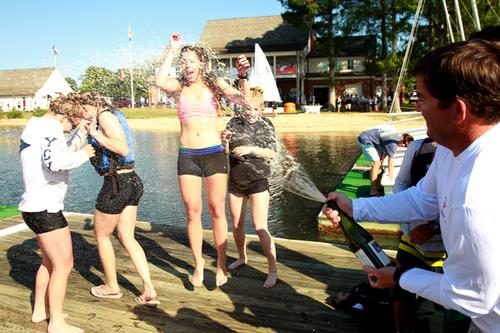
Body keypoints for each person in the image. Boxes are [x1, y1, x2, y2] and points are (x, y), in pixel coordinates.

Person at [323, 40, 500, 333]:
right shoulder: (450, 149)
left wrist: (400, 277)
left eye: (422, 99)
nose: (416, 108)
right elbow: (422, 199)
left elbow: (474, 297)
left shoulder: (475, 197)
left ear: (458, 111)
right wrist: (354, 207)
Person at [155, 32, 249, 287]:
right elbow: (160, 79)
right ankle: (198, 263)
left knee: (217, 210)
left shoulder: (215, 84)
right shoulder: (179, 87)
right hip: (187, 156)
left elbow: (242, 100)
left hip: (213, 153)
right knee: (192, 212)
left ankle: (220, 264)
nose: (186, 66)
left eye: (191, 61)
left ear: (202, 64)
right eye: (183, 62)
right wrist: (172, 49)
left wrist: (242, 77)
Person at [73, 92, 159, 307]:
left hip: (117, 183)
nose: (81, 114)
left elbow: (122, 148)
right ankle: (148, 288)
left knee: (101, 235)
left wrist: (95, 134)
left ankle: (111, 286)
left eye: (82, 109)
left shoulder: (104, 118)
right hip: (130, 180)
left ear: (91, 105)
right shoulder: (110, 115)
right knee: (127, 236)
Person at [18, 95, 94, 333]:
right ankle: (57, 323)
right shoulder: (50, 129)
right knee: (64, 265)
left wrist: (80, 134)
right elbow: (54, 163)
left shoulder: (37, 125)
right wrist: (86, 153)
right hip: (45, 209)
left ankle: (41, 310)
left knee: (49, 261)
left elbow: (60, 149)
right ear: (63, 116)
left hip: (34, 207)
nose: (69, 128)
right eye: (72, 123)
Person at [393, 137, 471, 332]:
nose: (419, 107)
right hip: (412, 240)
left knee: (452, 305)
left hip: (446, 248)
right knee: (402, 296)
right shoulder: (418, 147)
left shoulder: (469, 155)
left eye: (425, 104)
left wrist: (433, 227)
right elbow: (401, 183)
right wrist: (409, 218)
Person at [222, 55, 278, 288]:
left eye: (255, 108)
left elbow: (273, 153)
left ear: (261, 107)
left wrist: (252, 149)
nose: (250, 112)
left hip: (257, 181)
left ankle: (272, 269)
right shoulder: (233, 122)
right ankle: (242, 257)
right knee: (236, 225)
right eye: (246, 107)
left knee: (260, 226)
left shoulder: (266, 125)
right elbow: (225, 151)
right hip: (235, 181)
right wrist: (223, 142)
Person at [357, 125, 413, 196]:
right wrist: (392, 179)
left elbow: (385, 154)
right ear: (402, 137)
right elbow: (391, 163)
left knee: (380, 164)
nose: (403, 145)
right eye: (404, 142)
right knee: (376, 163)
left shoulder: (394, 140)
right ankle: (373, 190)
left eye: (405, 145)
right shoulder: (393, 143)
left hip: (376, 142)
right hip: (365, 139)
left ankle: (378, 185)